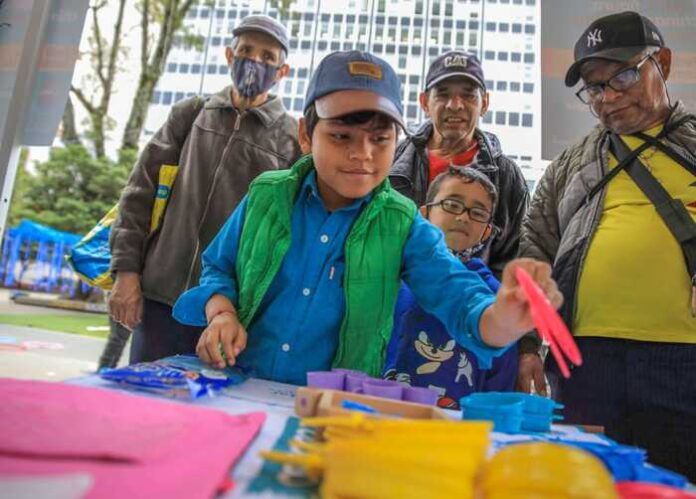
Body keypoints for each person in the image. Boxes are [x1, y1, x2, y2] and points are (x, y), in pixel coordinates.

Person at [171, 50, 562, 387]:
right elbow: (218, 268)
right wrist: (221, 313)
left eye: (380, 139)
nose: (363, 153)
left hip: (333, 407)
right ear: (306, 134)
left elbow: (457, 294)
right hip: (235, 385)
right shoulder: (266, 195)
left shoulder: (403, 223)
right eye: (341, 136)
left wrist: (503, 318)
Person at [519, 11, 696, 480]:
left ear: (663, 63)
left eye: (623, 76)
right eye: (595, 88)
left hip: (685, 359)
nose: (609, 98)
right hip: (585, 359)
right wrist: (527, 346)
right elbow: (533, 251)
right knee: (586, 481)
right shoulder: (569, 165)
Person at [108, 15, 302, 363]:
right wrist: (126, 272)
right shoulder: (190, 115)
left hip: (230, 313)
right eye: (246, 50)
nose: (254, 62)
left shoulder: (291, 140)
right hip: (160, 299)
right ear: (229, 56)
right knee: (141, 394)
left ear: (282, 72)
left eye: (268, 57)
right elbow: (139, 195)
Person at [384, 167, 518, 409]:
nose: (464, 217)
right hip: (377, 414)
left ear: (487, 231)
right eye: (452, 205)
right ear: (424, 213)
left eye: (478, 213)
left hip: (455, 426)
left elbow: (499, 384)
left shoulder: (496, 300)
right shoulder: (389, 276)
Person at [389, 51, 529, 277]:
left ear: (485, 103)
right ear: (424, 102)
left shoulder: (506, 177)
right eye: (443, 95)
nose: (455, 105)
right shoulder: (391, 160)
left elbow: (513, 261)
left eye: (468, 95)